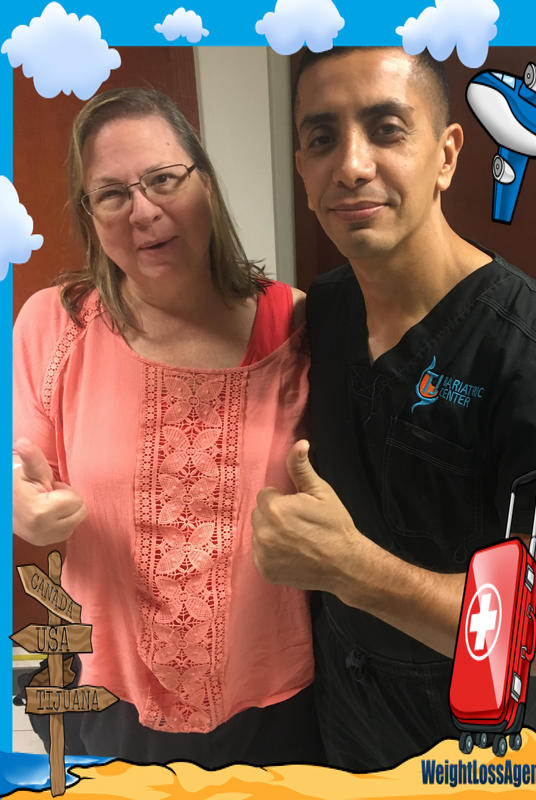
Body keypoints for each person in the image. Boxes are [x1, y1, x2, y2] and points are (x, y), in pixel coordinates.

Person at [251, 47, 536, 770]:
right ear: (303, 171)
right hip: (342, 709)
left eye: (387, 130)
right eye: (322, 139)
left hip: (478, 737)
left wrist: (352, 571)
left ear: (447, 155)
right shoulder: (326, 311)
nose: (351, 166)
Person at [12, 87, 323, 766]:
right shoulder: (54, 323)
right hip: (108, 695)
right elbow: (20, 466)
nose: (144, 211)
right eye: (111, 194)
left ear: (204, 183)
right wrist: (20, 505)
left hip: (272, 701)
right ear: (90, 215)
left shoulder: (298, 327)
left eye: (163, 179)